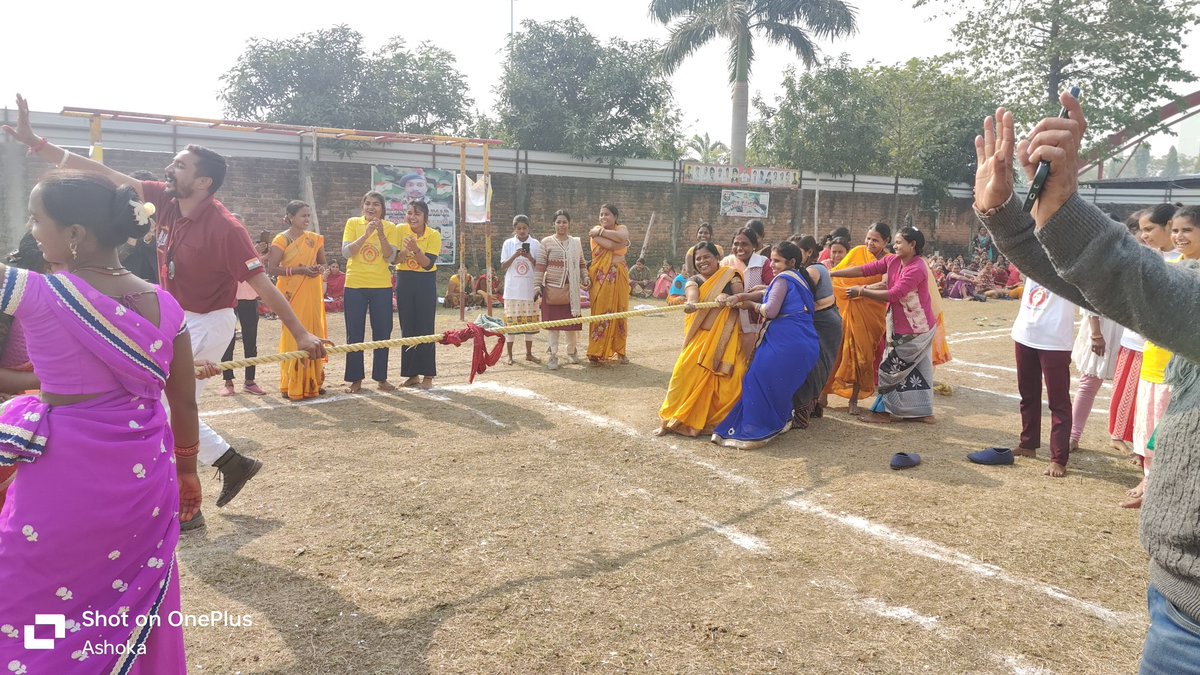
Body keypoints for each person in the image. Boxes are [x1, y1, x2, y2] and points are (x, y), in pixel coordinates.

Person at [3, 95, 326, 530]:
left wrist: (302, 334)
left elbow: (262, 284)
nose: (169, 169)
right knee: (161, 404)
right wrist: (40, 144)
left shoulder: (227, 229)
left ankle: (189, 489)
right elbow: (103, 175)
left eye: (180, 165)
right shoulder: (166, 201)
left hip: (206, 321)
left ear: (203, 182)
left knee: (161, 403)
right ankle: (228, 465)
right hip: (170, 316)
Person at [972, 94, 1200, 672]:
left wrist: (1059, 207)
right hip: (1179, 602)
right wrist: (1010, 219)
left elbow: (1141, 289)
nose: (1172, 238)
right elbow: (1095, 285)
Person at [0, 171, 204, 672]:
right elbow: (185, 403)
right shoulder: (167, 304)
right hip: (146, 479)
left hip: (64, 476)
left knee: (41, 597)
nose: (32, 231)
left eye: (37, 219)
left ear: (74, 234)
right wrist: (188, 469)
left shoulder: (37, 293)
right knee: (125, 597)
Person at [711, 241, 820, 449]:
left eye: (777, 261)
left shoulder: (784, 277)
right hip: (805, 342)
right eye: (772, 260)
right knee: (777, 384)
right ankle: (781, 420)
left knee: (756, 379)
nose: (772, 265)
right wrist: (744, 295)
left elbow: (770, 310)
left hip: (786, 341)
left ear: (792, 262)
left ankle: (756, 430)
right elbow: (768, 292)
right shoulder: (798, 278)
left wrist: (749, 304)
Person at [831, 226, 939, 424]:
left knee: (888, 370)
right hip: (903, 325)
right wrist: (833, 273)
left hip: (915, 329)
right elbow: (865, 269)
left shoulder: (916, 268)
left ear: (912, 245)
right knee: (918, 371)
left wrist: (861, 291)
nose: (895, 246)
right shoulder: (893, 261)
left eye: (899, 243)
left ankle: (883, 412)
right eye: (895, 242)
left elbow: (894, 294)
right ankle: (923, 412)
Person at [656, 243, 746, 437]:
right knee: (681, 376)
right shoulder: (693, 279)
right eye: (698, 259)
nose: (702, 261)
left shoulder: (731, 276)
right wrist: (691, 303)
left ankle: (712, 423)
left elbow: (742, 298)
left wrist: (729, 296)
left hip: (726, 341)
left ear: (716, 258)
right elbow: (692, 294)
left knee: (732, 380)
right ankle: (670, 420)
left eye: (707, 257)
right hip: (699, 339)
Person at [823, 223, 890, 416]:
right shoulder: (858, 252)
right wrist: (832, 274)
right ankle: (823, 393)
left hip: (871, 313)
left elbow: (885, 283)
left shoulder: (889, 260)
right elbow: (850, 274)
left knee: (863, 357)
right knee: (835, 351)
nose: (870, 243)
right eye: (868, 238)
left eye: (875, 240)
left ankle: (854, 398)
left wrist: (861, 291)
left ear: (886, 241)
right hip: (846, 309)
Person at [267, 200, 328, 401]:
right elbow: (272, 269)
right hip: (291, 292)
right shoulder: (281, 239)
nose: (307, 220)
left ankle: (313, 382)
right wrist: (300, 270)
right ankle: (292, 383)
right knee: (295, 334)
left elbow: (323, 264)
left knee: (313, 329)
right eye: (303, 215)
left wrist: (319, 270)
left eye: (308, 216)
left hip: (311, 289)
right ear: (291, 217)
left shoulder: (314, 239)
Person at [342, 191, 399, 393]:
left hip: (381, 286)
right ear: (362, 206)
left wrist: (381, 233)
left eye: (376, 204)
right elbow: (346, 252)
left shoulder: (391, 227)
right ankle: (355, 379)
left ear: (382, 209)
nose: (371, 207)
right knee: (354, 333)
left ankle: (381, 378)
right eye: (367, 203)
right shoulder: (353, 223)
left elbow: (390, 257)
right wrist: (366, 234)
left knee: (383, 333)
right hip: (354, 285)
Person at [789, 236, 843, 428]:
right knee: (816, 365)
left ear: (808, 252)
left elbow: (799, 298)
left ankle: (803, 414)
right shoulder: (811, 269)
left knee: (813, 367)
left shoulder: (813, 270)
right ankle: (814, 407)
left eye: (795, 252)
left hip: (824, 323)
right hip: (825, 321)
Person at [395, 200, 442, 389]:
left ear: (425, 217)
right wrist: (405, 250)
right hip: (404, 278)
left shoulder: (434, 234)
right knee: (407, 326)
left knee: (425, 327)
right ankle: (411, 374)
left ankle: (428, 375)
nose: (412, 217)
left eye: (417, 213)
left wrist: (415, 249)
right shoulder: (400, 230)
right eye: (409, 213)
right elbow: (395, 259)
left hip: (425, 281)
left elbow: (428, 264)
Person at [535, 209, 590, 370]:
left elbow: (581, 263)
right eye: (558, 222)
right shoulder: (546, 242)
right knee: (553, 327)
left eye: (564, 222)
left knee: (571, 325)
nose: (561, 225)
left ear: (569, 223)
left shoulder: (576, 242)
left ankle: (572, 352)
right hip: (552, 289)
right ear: (554, 224)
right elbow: (540, 266)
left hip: (572, 290)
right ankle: (553, 355)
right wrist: (537, 286)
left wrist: (585, 277)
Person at [219, 213, 265, 397]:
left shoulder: (249, 249)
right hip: (228, 299)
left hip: (249, 298)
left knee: (250, 340)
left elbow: (257, 271)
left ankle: (250, 380)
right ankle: (228, 380)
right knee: (227, 340)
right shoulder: (220, 246)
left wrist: (258, 255)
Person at [1069, 308, 1124, 452]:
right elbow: (1088, 298)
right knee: (1088, 384)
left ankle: (1118, 435)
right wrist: (1096, 333)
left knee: (1125, 386)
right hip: (1102, 329)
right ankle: (1073, 436)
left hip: (1127, 331)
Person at [587, 203, 631, 365]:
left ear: (615, 217)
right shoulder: (594, 231)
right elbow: (613, 245)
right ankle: (595, 352)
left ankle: (620, 350)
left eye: (607, 214)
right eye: (601, 214)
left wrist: (603, 232)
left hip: (619, 275)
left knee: (621, 310)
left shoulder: (620, 228)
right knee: (600, 312)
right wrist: (623, 244)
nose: (603, 217)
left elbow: (623, 237)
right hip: (602, 277)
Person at [722, 226, 774, 356]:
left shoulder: (763, 262)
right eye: (736, 244)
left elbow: (773, 288)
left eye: (744, 244)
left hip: (755, 320)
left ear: (754, 246)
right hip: (730, 319)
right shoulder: (726, 263)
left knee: (750, 358)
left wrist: (760, 290)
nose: (739, 248)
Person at [501, 215, 542, 364]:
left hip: (529, 289)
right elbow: (503, 266)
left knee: (529, 325)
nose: (522, 231)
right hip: (513, 290)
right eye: (519, 228)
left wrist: (529, 257)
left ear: (529, 228)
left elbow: (539, 266)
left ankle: (529, 353)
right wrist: (515, 255)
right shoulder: (508, 243)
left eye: (524, 228)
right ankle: (510, 355)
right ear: (514, 229)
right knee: (511, 324)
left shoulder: (536, 243)